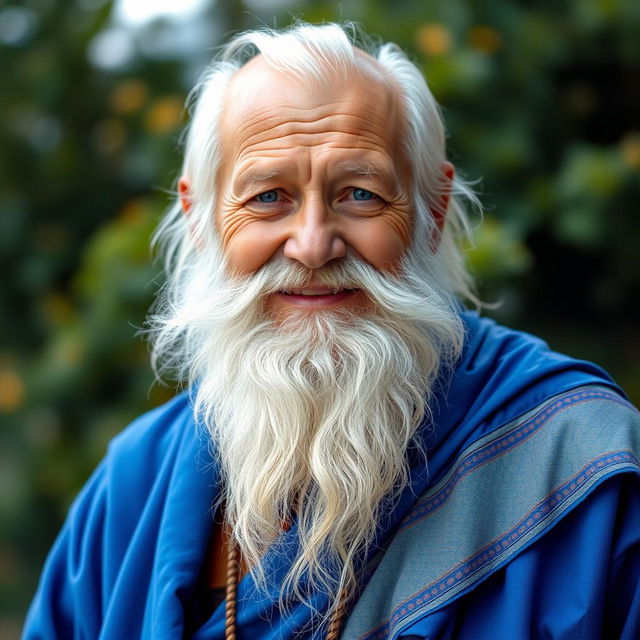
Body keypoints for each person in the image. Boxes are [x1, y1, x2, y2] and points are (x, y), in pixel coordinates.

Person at [23, 22, 640, 640]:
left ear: (432, 213)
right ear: (200, 222)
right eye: (268, 197)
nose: (313, 244)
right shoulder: (133, 488)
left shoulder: (580, 462)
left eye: (360, 194)